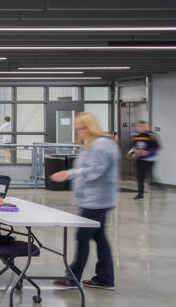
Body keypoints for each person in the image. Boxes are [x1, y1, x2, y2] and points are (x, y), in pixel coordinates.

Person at [51, 112, 119, 291]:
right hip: (96, 199)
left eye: (80, 129)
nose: (78, 133)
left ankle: (73, 277)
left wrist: (68, 174)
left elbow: (96, 170)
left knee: (82, 236)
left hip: (96, 201)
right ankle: (105, 278)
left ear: (90, 127)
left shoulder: (100, 145)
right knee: (99, 237)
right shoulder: (95, 144)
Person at [131, 120, 159, 200]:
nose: (141, 128)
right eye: (139, 126)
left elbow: (157, 147)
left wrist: (148, 153)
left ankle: (159, 187)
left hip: (149, 159)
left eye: (143, 126)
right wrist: (136, 151)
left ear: (146, 127)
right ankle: (140, 194)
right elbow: (133, 146)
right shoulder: (136, 136)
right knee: (140, 176)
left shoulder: (151, 135)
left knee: (148, 175)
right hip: (139, 158)